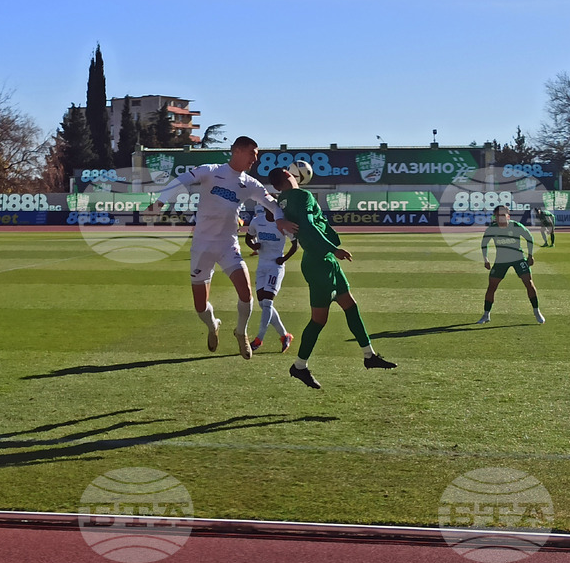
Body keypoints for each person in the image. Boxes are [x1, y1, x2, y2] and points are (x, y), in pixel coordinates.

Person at [146, 136, 297, 360]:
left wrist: (280, 219)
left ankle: (241, 333)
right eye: (252, 153)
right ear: (237, 150)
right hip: (202, 246)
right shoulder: (210, 171)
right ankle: (212, 324)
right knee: (200, 306)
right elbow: (181, 180)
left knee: (246, 294)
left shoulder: (250, 183)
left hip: (228, 245)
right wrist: (160, 201)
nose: (255, 159)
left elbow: (272, 204)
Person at [269, 167, 396, 389]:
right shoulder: (302, 195)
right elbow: (308, 226)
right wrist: (333, 248)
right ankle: (299, 366)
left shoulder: (284, 200)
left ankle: (369, 355)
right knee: (319, 320)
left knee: (350, 305)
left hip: (322, 260)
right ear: (289, 176)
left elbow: (301, 225)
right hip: (320, 262)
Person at [477, 205, 545, 325]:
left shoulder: (515, 226)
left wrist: (530, 255)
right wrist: (486, 259)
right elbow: (484, 243)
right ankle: (486, 314)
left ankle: (536, 311)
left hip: (518, 258)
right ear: (495, 217)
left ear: (508, 216)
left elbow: (529, 237)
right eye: (498, 215)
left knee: (529, 283)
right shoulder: (492, 228)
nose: (501, 217)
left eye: (503, 215)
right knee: (492, 286)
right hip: (501, 260)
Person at [244, 204, 298, 353]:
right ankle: (285, 335)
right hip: (262, 267)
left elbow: (295, 245)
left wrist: (284, 258)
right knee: (263, 304)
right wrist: (254, 246)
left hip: (276, 266)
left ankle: (258, 339)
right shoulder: (257, 221)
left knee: (267, 302)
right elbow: (248, 239)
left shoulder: (283, 224)